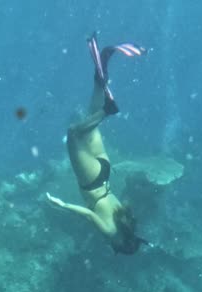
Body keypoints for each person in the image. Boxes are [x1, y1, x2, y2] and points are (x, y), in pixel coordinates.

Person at [46, 33, 147, 254]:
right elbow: (90, 214)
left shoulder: (126, 220)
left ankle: (102, 70)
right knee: (73, 133)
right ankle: (106, 111)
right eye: (117, 248)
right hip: (91, 182)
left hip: (105, 171)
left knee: (89, 121)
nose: (114, 247)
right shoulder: (112, 232)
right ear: (122, 244)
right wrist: (62, 205)